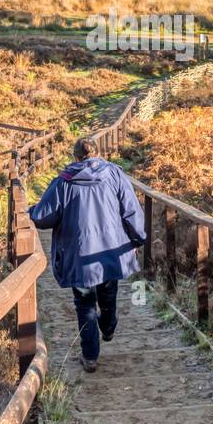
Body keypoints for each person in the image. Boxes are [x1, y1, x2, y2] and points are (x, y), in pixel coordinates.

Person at [29, 136, 146, 372]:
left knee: (84, 305)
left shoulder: (63, 182)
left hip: (78, 257)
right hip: (110, 252)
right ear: (98, 154)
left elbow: (43, 217)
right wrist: (138, 237)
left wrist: (30, 210)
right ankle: (109, 326)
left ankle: (90, 356)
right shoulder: (114, 175)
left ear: (75, 157)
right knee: (108, 293)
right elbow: (131, 209)